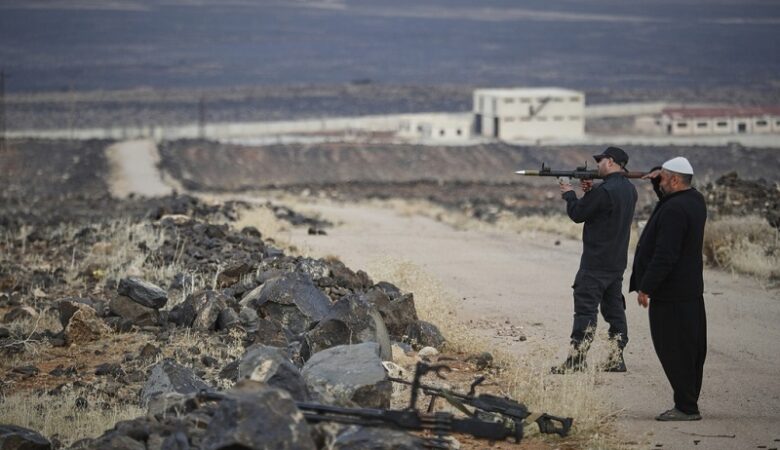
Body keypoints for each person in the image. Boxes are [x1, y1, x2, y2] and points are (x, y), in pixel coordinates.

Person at [630, 156, 707, 421]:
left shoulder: (674, 210)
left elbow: (665, 254)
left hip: (671, 293)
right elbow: (668, 200)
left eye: (663, 178)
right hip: (689, 290)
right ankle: (688, 400)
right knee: (692, 349)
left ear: (674, 180)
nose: (659, 182)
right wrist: (656, 180)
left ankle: (686, 407)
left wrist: (646, 288)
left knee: (674, 350)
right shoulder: (694, 200)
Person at [552, 146, 638, 374]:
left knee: (585, 311)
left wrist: (569, 193)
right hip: (616, 262)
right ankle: (616, 358)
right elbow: (601, 213)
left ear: (610, 162)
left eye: (600, 161)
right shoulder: (630, 189)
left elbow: (578, 214)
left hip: (595, 263)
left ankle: (576, 361)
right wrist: (589, 193)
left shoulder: (605, 191)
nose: (597, 165)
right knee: (615, 311)